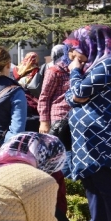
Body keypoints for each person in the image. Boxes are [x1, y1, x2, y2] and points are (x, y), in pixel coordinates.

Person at [64, 25, 111, 221]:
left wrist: (74, 72)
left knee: (105, 177)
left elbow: (79, 93)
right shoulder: (95, 65)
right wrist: (76, 89)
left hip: (102, 130)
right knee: (90, 177)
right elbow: (71, 97)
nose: (75, 52)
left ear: (95, 44)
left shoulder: (110, 64)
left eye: (79, 46)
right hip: (88, 132)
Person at [38, 44, 73, 177]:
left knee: (73, 152)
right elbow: (44, 97)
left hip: (76, 117)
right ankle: (66, 182)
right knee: (63, 153)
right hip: (59, 117)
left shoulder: (80, 69)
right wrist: (44, 121)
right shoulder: (55, 70)